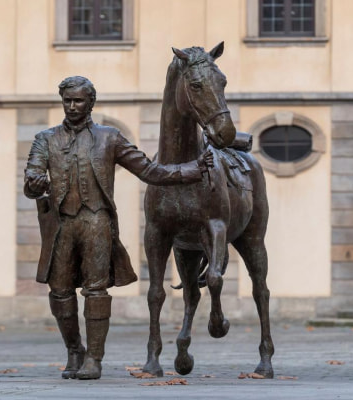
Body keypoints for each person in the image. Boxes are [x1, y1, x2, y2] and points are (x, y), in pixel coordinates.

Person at [23, 76, 214, 380]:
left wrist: (189, 170)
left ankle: (94, 359)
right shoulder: (45, 139)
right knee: (59, 292)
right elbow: (32, 177)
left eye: (79, 100)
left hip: (97, 221)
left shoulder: (109, 137)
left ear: (91, 103)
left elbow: (149, 170)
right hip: (60, 224)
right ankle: (75, 350)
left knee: (96, 290)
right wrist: (34, 184)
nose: (72, 106)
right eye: (67, 100)